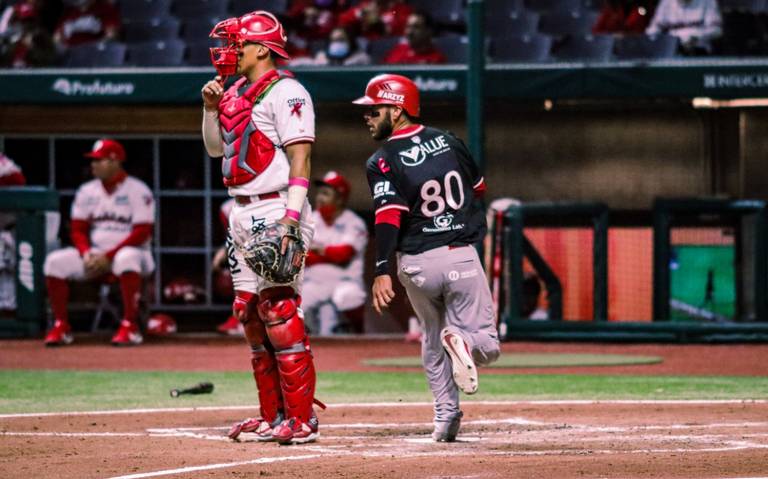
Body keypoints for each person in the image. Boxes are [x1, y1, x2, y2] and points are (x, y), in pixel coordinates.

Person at [353, 74, 501, 442]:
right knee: (486, 344)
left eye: (374, 110)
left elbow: (388, 216)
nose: (367, 117)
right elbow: (480, 188)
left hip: (416, 264)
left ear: (398, 109)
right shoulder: (449, 140)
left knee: (432, 340)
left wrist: (382, 269)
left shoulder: (382, 159)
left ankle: (445, 417)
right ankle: (464, 343)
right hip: (460, 255)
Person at [201, 10, 321, 445]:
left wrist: (292, 218)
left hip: (276, 207)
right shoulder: (233, 92)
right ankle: (272, 416)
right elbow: (217, 150)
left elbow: (301, 159)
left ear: (262, 48)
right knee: (249, 313)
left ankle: (302, 419)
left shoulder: (287, 91)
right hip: (240, 210)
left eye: (237, 43)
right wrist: (209, 110)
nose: (229, 51)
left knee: (279, 309)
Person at [43, 138, 155, 346]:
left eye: (99, 160)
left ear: (115, 161)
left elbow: (142, 231)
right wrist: (86, 252)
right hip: (95, 256)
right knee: (54, 262)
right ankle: (61, 326)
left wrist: (108, 256)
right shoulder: (87, 191)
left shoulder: (138, 190)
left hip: (134, 254)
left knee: (126, 257)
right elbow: (77, 229)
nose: (93, 164)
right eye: (93, 160)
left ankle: (130, 326)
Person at [302, 170, 368, 335]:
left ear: (340, 198)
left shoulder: (353, 222)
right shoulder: (309, 220)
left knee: (349, 297)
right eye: (319, 193)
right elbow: (303, 257)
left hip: (345, 282)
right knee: (294, 304)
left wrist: (318, 250)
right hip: (313, 284)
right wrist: (330, 254)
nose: (319, 197)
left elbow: (344, 255)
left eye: (326, 193)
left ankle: (360, 336)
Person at [212, 197, 244, 336]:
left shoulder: (273, 201)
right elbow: (233, 238)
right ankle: (241, 318)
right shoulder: (227, 208)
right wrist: (224, 250)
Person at [646, 0, 721, 54]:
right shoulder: (666, 2)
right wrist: (652, 40)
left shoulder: (707, 1)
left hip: (698, 49)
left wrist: (697, 38)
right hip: (671, 49)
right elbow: (654, 29)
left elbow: (716, 30)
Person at [289, 26, 371, 67]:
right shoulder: (322, 59)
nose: (337, 43)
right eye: (334, 40)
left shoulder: (361, 59)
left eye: (341, 39)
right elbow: (299, 63)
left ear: (350, 41)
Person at [53, 0, 120, 49]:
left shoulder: (106, 9)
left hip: (93, 56)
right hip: (68, 57)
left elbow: (111, 34)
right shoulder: (68, 12)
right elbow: (57, 37)